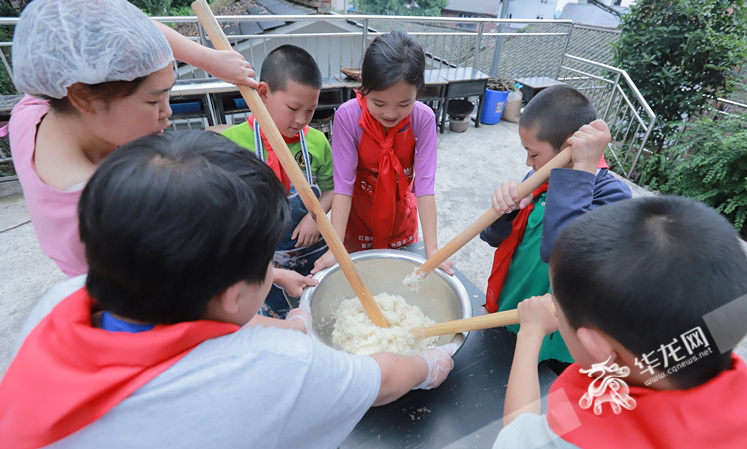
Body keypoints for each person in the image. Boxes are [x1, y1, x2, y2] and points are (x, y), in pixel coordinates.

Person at [0, 131, 456, 448]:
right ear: (233, 293)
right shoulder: (271, 370)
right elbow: (384, 378)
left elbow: (189, 333)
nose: (271, 271)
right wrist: (429, 363)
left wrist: (293, 321)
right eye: (267, 265)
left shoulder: (61, 301)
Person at [495, 196, 747, 448]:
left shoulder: (568, 440)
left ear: (598, 347)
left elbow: (515, 431)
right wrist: (725, 293)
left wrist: (531, 333)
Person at [9, 0, 256, 278]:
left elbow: (110, 32)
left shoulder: (38, 106)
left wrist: (207, 59)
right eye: (154, 101)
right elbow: (191, 300)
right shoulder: (115, 213)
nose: (168, 112)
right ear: (83, 98)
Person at [479, 85, 631, 366]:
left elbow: (562, 254)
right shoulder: (537, 180)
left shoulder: (613, 197)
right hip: (509, 310)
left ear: (568, 148)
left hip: (555, 339)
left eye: (534, 154)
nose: (528, 162)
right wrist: (504, 211)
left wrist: (580, 168)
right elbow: (492, 237)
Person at [311, 31, 454, 275]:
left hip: (400, 220)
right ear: (364, 88)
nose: (390, 114)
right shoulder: (348, 117)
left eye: (403, 104)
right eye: (378, 103)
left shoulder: (423, 119)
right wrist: (335, 248)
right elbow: (343, 187)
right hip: (357, 220)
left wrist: (432, 251)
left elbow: (425, 188)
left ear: (418, 93)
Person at [221, 45, 332, 318]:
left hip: (314, 258)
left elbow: (332, 190)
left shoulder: (316, 141)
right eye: (293, 108)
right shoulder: (232, 144)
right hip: (262, 268)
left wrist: (315, 216)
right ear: (263, 93)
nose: (301, 120)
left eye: (310, 110)